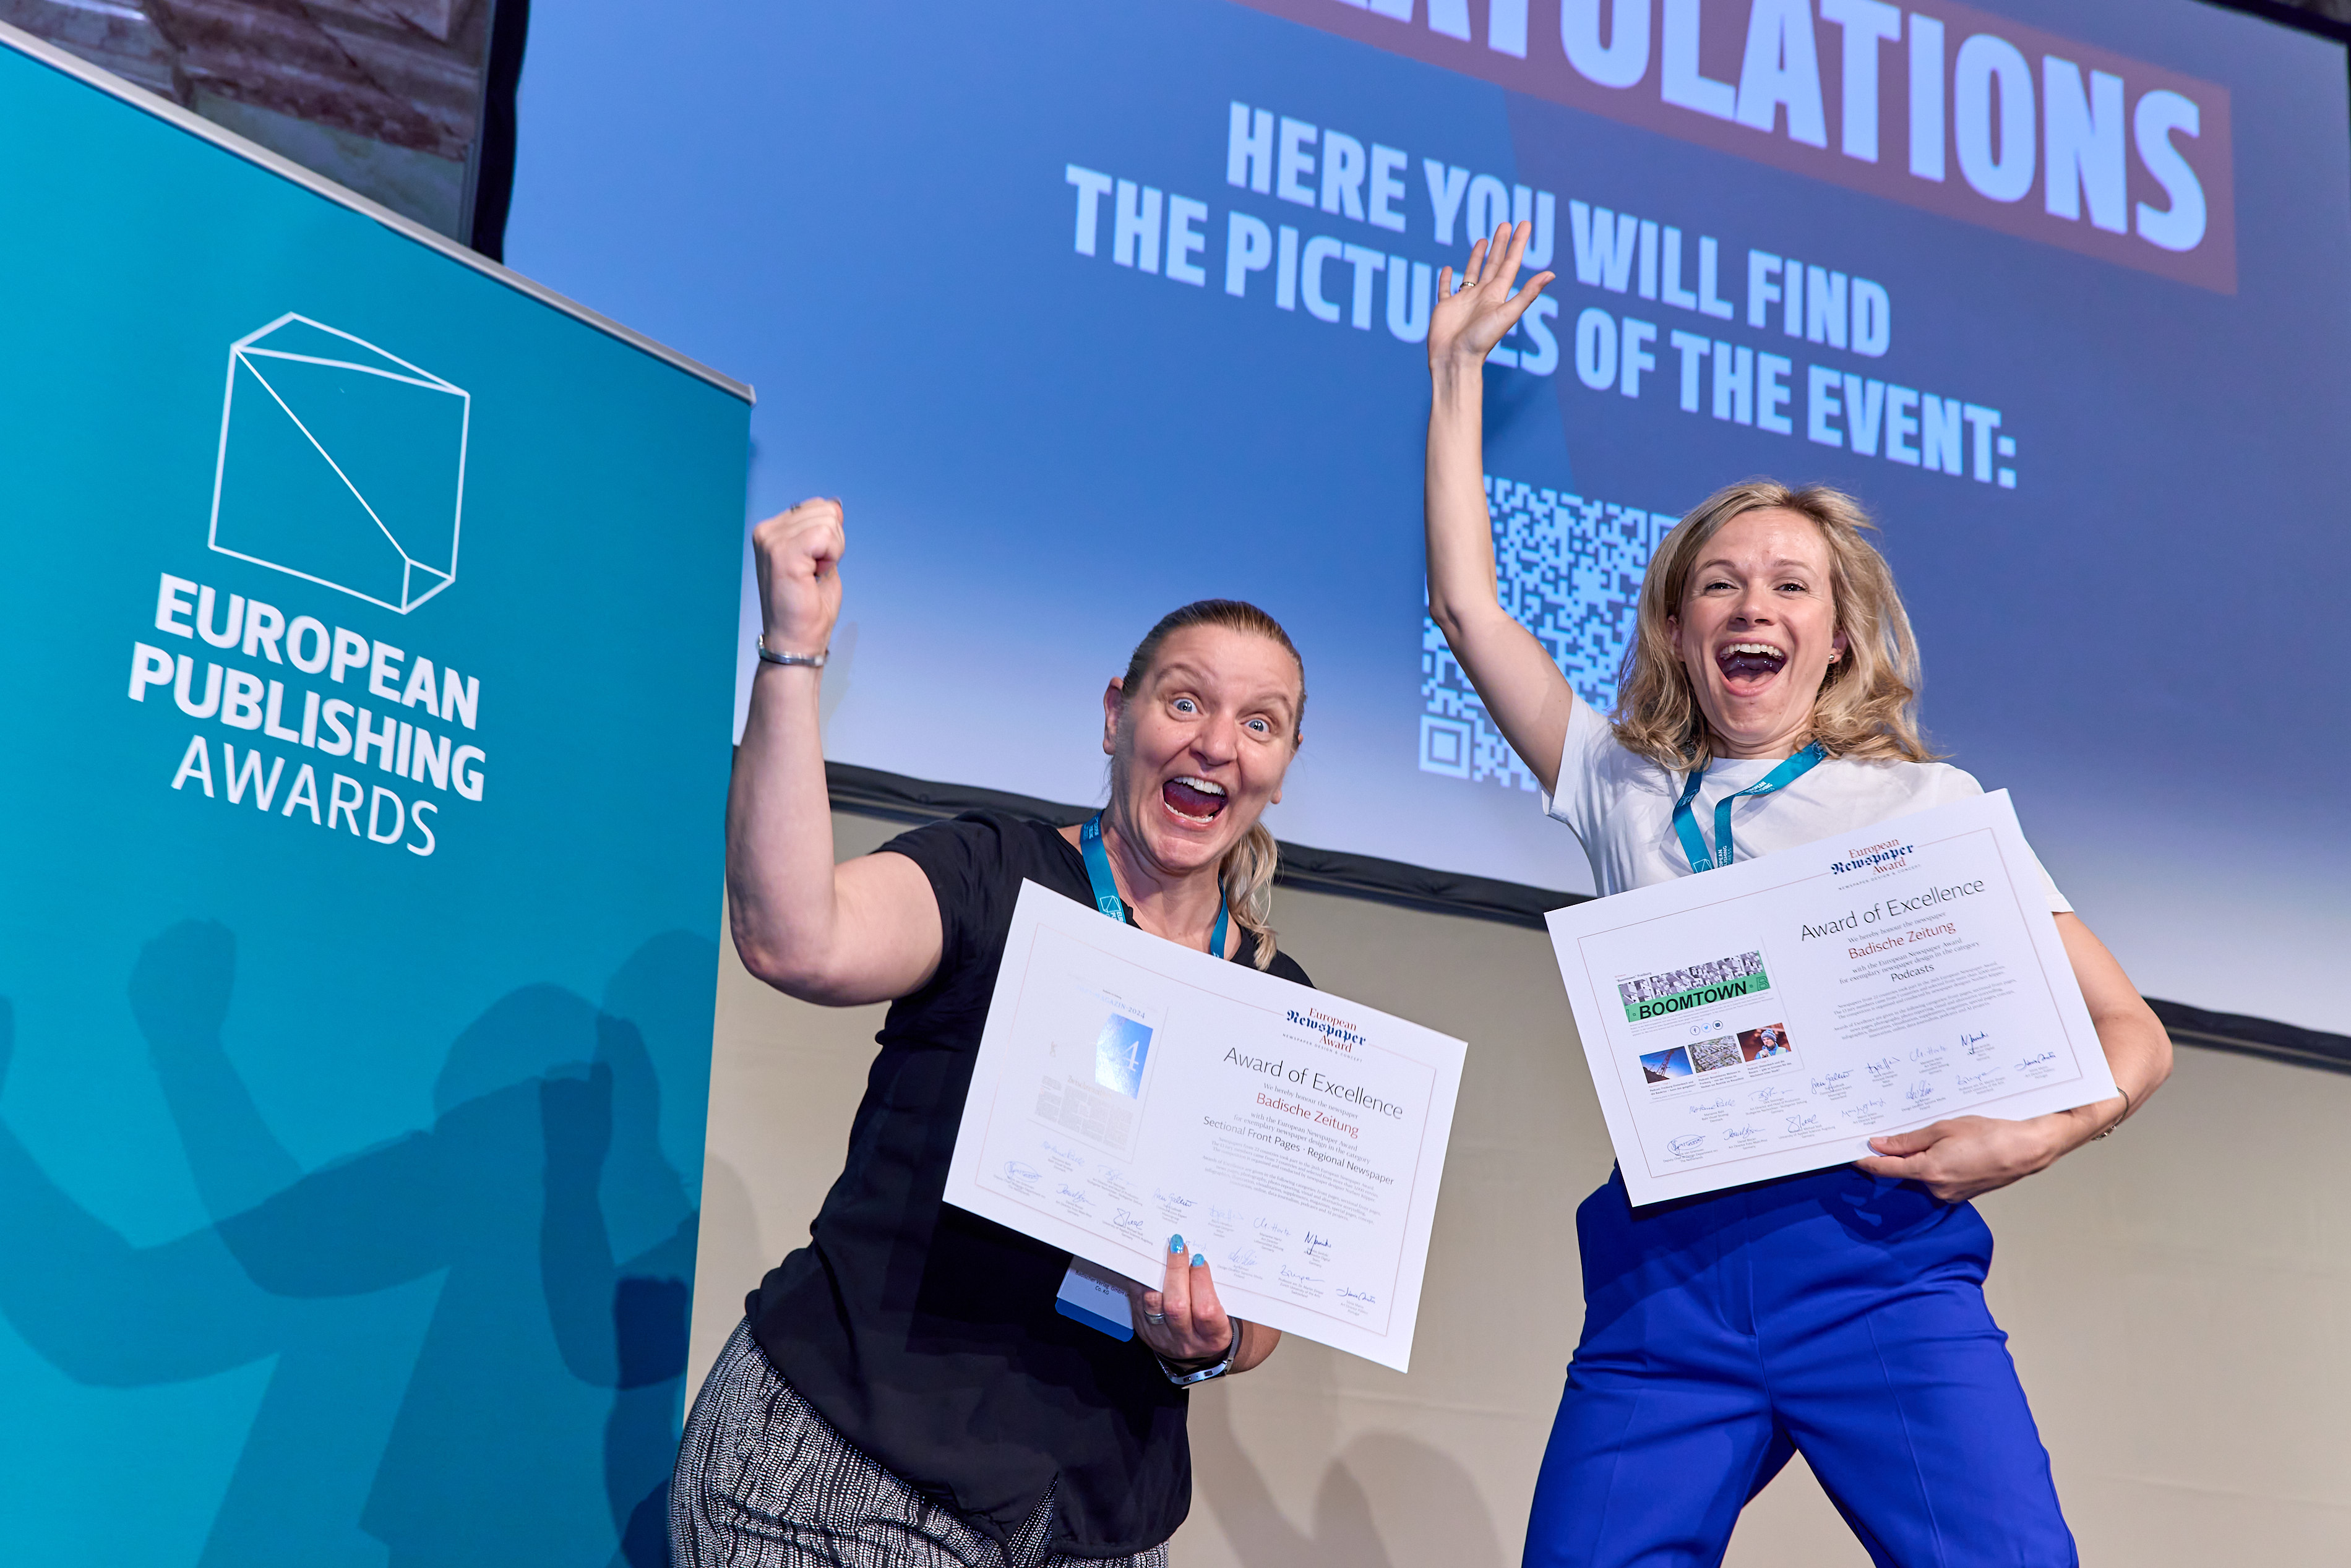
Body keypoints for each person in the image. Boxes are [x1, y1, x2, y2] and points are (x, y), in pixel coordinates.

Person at [1422, 223, 2173, 1567]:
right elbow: (1470, 610)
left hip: (1878, 1264)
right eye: (1717, 584)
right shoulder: (1619, 784)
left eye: (1788, 585)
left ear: (1836, 635)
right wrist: (1457, 374)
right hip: (1666, 1283)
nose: (1750, 605)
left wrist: (2031, 1139)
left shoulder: (1927, 806)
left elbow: (2137, 1037)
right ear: (1676, 631)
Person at [674, 497, 1313, 1567]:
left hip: (1097, 1531)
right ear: (1116, 716)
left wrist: (1209, 1340)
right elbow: (794, 940)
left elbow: (1260, 1317)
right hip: (846, 1479)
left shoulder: (1276, 999)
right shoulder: (993, 876)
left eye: (1260, 723)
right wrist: (793, 652)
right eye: (1184, 701)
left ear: (1283, 766)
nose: (1215, 743)